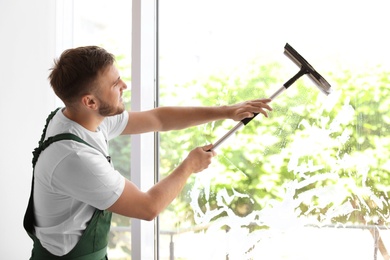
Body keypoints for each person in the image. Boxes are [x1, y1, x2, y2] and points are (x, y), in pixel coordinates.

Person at [23, 46, 272, 259]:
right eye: (115, 83)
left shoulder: (79, 118)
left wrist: (227, 111)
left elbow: (158, 119)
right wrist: (189, 166)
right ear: (90, 101)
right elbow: (148, 207)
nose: (124, 85)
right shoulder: (76, 158)